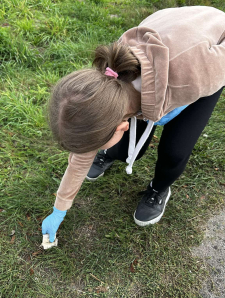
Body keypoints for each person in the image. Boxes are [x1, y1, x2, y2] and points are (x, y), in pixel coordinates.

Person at [42, 6, 225, 243]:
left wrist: (174, 105)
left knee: (175, 150)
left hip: (204, 57)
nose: (89, 150)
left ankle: (159, 188)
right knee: (122, 148)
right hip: (169, 34)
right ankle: (113, 152)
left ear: (121, 126)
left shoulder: (194, 75)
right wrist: (60, 208)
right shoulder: (104, 88)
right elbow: (83, 148)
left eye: (96, 147)